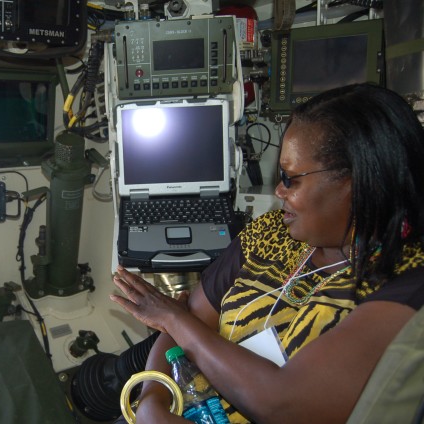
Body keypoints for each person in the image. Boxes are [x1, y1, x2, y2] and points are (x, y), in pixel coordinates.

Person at [110, 83, 424, 424]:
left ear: (358, 181)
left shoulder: (407, 281)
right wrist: (152, 402)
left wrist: (171, 316)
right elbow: (184, 329)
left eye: (291, 179)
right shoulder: (270, 233)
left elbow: (283, 403)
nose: (278, 191)